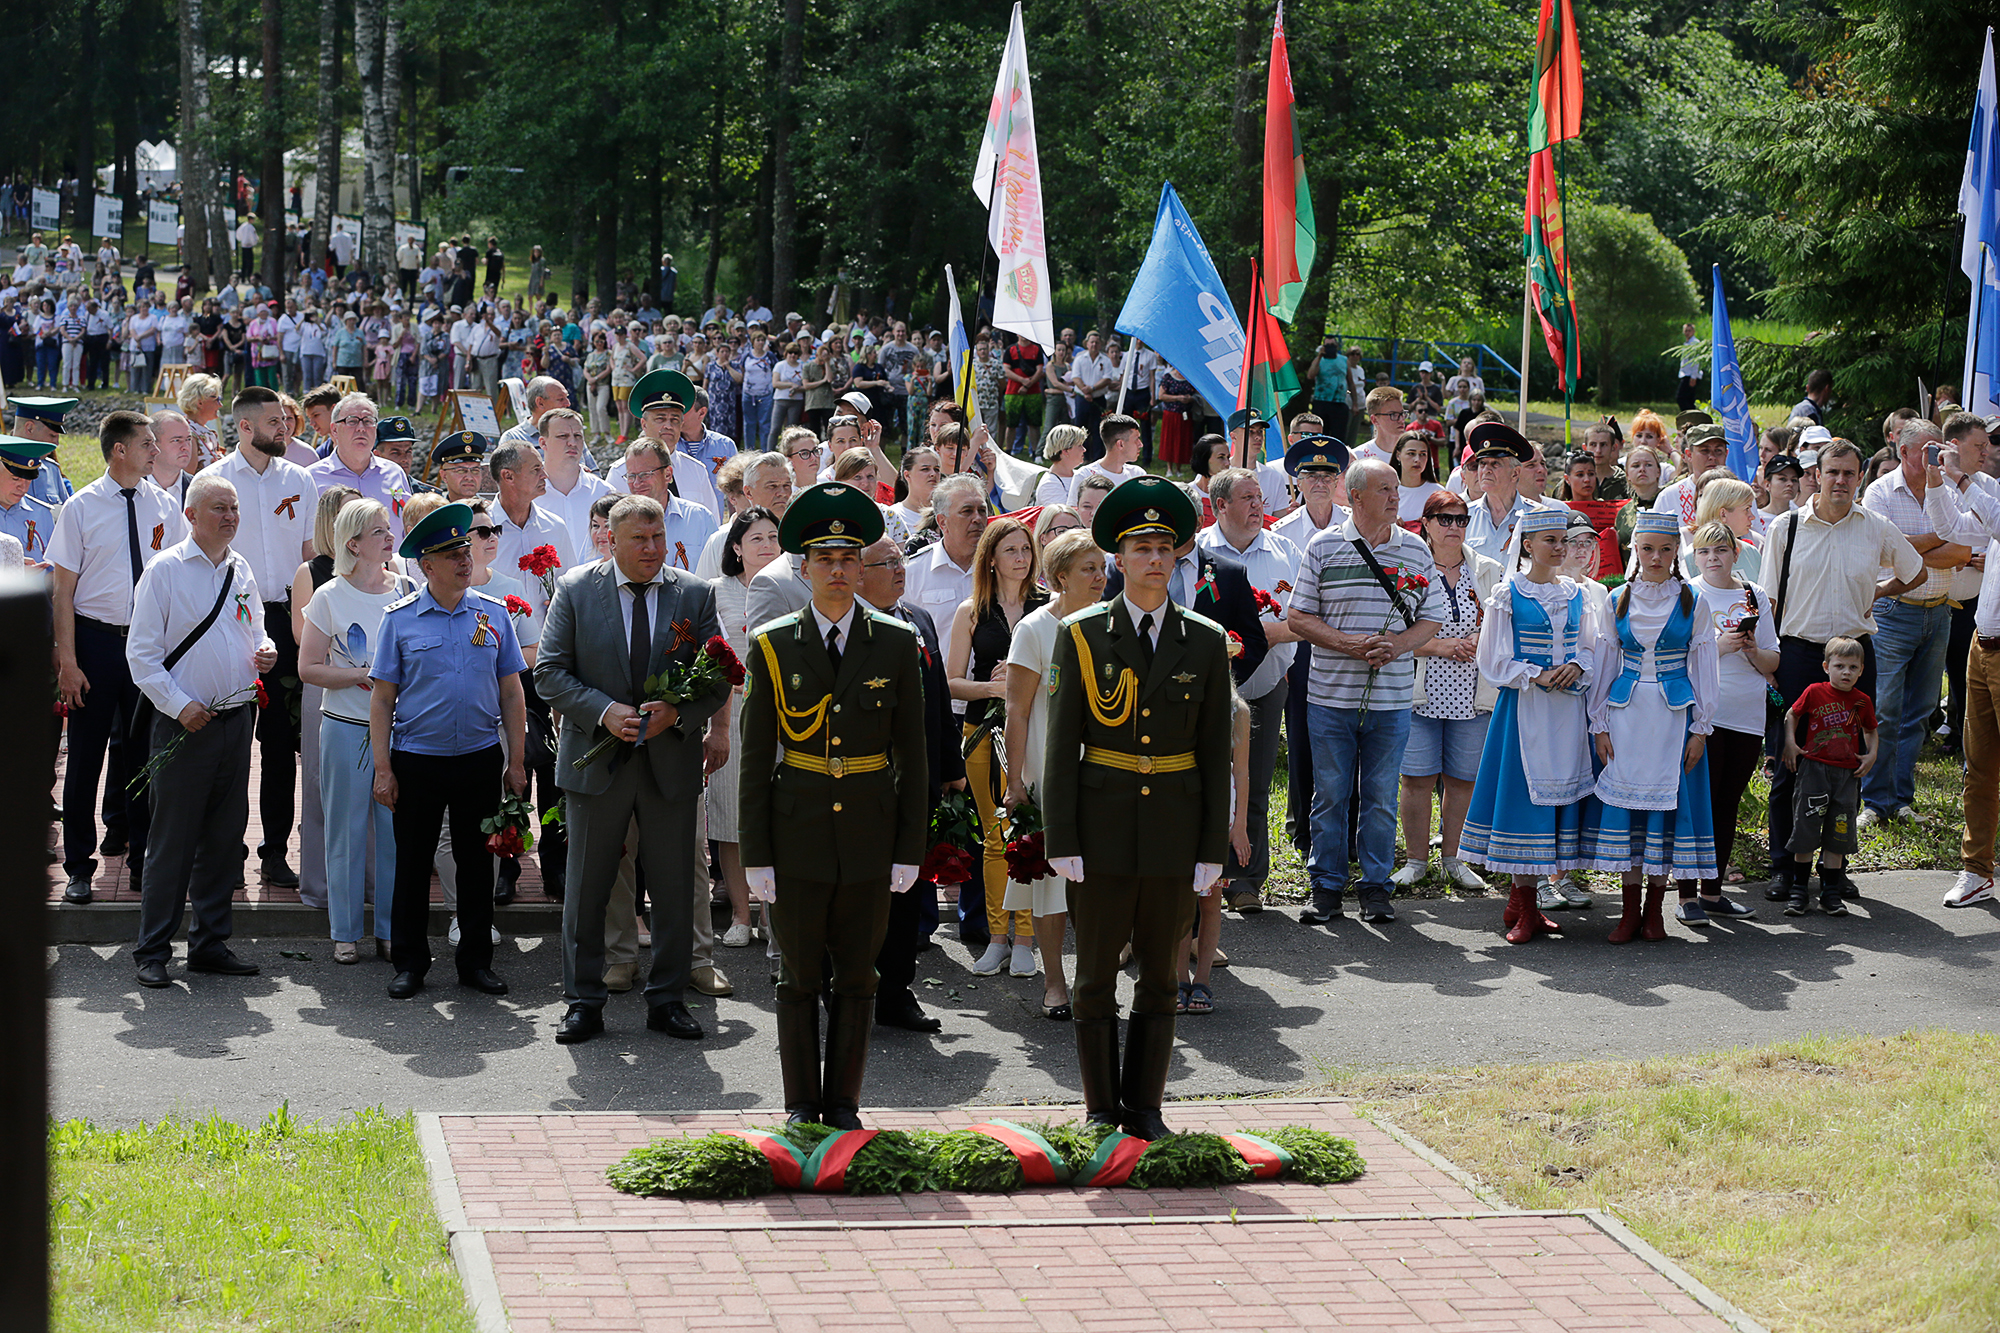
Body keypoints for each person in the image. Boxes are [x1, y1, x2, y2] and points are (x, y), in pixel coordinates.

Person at [1042, 475, 1232, 1138]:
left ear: (1177, 557)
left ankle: (1146, 1109)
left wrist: (1211, 847)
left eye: (1164, 547)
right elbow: (1061, 746)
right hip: (1100, 830)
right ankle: (1100, 1109)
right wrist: (1061, 836)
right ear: (1117, 560)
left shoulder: (1204, 639)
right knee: (1094, 976)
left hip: (1174, 831)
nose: (1154, 558)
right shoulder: (1082, 634)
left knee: (1159, 977)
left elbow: (1214, 752)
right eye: (1140, 548)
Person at [738, 483, 928, 1128]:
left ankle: (843, 1104)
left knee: (857, 976)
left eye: (850, 559)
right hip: (797, 834)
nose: (839, 571)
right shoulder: (772, 644)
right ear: (805, 567)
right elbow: (756, 758)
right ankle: (801, 1105)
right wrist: (756, 854)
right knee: (797, 978)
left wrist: (909, 848)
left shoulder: (896, 642)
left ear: (863, 567)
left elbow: (912, 757)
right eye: (826, 559)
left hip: (871, 834)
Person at [536, 495, 730, 1044]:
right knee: (586, 888)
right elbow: (549, 673)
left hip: (670, 764)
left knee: (674, 889)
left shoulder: (694, 593)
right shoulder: (576, 589)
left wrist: (678, 714)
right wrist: (603, 711)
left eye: (658, 537)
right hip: (598, 765)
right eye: (639, 539)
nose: (652, 548)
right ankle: (583, 1001)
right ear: (611, 540)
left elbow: (719, 675)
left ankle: (667, 1000)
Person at [369, 503, 528, 1000]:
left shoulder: (493, 613)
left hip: (479, 757)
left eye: (465, 550)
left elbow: (512, 692)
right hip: (417, 758)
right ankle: (410, 963)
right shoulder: (399, 620)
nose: (465, 560)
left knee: (477, 865)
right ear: (427, 566)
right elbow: (382, 698)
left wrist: (516, 761)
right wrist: (382, 768)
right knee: (413, 865)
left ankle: (475, 962)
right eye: (452, 554)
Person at [127, 474, 278, 987]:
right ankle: (152, 951)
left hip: (235, 720)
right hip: (183, 727)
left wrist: (266, 650)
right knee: (172, 842)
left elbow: (255, 627)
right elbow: (141, 656)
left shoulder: (241, 567)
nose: (230, 516)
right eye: (219, 508)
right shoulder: (165, 570)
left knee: (223, 840)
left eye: (234, 507)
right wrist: (180, 706)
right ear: (191, 515)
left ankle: (210, 944)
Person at [1757, 439, 1923, 901]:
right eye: (1833, 472)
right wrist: (1769, 663)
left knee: (1846, 767)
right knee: (1789, 762)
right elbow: (1769, 601)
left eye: (1850, 473)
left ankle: (1835, 868)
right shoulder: (1786, 527)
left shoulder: (1875, 527)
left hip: (1853, 658)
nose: (1841, 481)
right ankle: (1783, 868)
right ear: (1817, 474)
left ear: (1860, 477)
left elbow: (1916, 572)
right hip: (1799, 655)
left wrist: (1878, 592)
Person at [1289, 457, 1446, 925]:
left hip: (1392, 701)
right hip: (1330, 698)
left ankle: (1376, 887)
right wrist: (1347, 644)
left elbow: (1432, 618)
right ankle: (1326, 887)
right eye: (1385, 490)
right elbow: (1297, 616)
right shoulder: (1322, 545)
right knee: (1330, 795)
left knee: (1380, 797)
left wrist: (1397, 644)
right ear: (1355, 497)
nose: (1396, 497)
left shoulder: (1415, 549)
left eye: (1396, 489)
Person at [51, 411, 190, 905]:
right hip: (96, 643)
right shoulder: (81, 507)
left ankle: (141, 862)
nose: (156, 451)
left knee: (143, 759)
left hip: (147, 645)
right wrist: (68, 662)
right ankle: (78, 867)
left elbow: (179, 578)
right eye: (147, 444)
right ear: (119, 450)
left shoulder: (164, 505)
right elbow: (62, 593)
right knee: (86, 759)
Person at [1458, 503, 1598, 942]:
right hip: (1525, 711)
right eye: (1550, 541)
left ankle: (1522, 903)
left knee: (1555, 803)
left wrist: (1577, 665)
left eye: (1563, 540)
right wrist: (1535, 674)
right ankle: (1526, 907)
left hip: (1568, 713)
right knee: (1525, 804)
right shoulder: (1508, 594)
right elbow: (1492, 659)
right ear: (1527, 545)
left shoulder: (1576, 594)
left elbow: (1592, 646)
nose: (1560, 548)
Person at [1581, 512, 1721, 941]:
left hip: (1672, 719)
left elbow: (1705, 667)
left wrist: (1700, 728)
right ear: (1635, 550)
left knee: (1666, 815)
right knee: (1630, 817)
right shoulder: (1617, 599)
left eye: (1664, 549)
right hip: (1625, 718)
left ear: (1676, 550)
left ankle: (1654, 911)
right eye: (1647, 549)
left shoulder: (1693, 601)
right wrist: (1599, 723)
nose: (1656, 557)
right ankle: (1629, 913)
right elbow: (1606, 662)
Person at [198, 386, 317, 889]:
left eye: (285, 420)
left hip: (287, 620)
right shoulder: (213, 481)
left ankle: (275, 852)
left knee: (279, 745)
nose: (284, 428)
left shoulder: (300, 479)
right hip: (229, 619)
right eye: (274, 422)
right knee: (223, 744)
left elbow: (310, 556)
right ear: (245, 427)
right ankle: (223, 854)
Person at [856, 531, 962, 1033]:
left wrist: (951, 769)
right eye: (887, 564)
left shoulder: (917, 618)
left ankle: (897, 992)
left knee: (906, 892)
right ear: (858, 574)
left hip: (916, 783)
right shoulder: (848, 625)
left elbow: (937, 697)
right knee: (859, 894)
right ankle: (848, 992)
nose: (900, 570)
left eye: (900, 560)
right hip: (863, 785)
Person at [298, 498, 408, 963]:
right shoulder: (328, 596)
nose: (389, 537)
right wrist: (361, 675)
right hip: (345, 728)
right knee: (344, 831)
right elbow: (308, 668)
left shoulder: (407, 589)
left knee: (394, 834)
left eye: (388, 529)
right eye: (378, 531)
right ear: (354, 544)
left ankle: (389, 929)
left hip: (399, 731)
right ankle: (344, 931)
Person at [1002, 529, 1101, 1018]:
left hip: (1105, 775)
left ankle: (1094, 980)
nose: (1101, 577)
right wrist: (1015, 781)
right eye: (1089, 569)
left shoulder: (1111, 624)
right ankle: (1055, 983)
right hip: (1049, 773)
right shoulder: (1034, 629)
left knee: (1100, 885)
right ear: (1060, 577)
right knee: (1051, 884)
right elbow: (1017, 710)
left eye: (1103, 568)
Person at [947, 516, 1049, 977]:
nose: (1021, 558)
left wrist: (1026, 684)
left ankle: (1026, 939)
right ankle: (997, 938)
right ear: (990, 558)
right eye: (1011, 550)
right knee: (993, 836)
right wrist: (993, 689)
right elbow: (952, 681)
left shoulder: (1047, 606)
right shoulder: (971, 611)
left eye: (1026, 549)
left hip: (1032, 730)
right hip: (982, 732)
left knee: (1026, 833)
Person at [1195, 468, 1300, 914]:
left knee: (1253, 784)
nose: (1258, 505)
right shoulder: (1199, 553)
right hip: (1206, 693)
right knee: (1208, 784)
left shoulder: (1285, 550)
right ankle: (1203, 878)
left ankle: (1246, 881)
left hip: (1266, 685)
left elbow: (1306, 616)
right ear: (1220, 505)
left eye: (1259, 497)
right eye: (1247, 498)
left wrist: (1264, 636)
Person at [1857, 419, 1969, 826]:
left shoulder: (1950, 490)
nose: (1936, 457)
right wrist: (1941, 536)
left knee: (1920, 711)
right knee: (1885, 710)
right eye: (1927, 450)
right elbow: (1885, 552)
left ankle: (1900, 799)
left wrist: (1911, 546)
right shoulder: (1879, 492)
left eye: (1938, 448)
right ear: (1903, 452)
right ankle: (1875, 802)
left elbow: (1962, 551)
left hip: (1939, 611)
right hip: (1893, 612)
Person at [1393, 490, 1503, 893]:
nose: (1454, 526)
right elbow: (1391, 633)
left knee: (1462, 780)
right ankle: (1416, 861)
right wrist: (1440, 646)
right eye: (1444, 519)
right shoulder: (1407, 568)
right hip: (1419, 688)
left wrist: (1481, 640)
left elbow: (1502, 626)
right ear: (1425, 523)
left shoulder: (1488, 569)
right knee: (1416, 779)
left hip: (1472, 691)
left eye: (1461, 519)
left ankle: (1455, 859)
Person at [1688, 519, 1781, 909]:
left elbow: (1773, 659)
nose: (1713, 558)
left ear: (1736, 553)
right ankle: (1686, 895)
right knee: (1699, 805)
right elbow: (1677, 658)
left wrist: (1751, 650)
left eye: (1721, 550)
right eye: (1705, 551)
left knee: (1727, 804)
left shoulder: (1753, 594)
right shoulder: (1689, 594)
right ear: (1695, 557)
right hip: (1704, 716)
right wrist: (1719, 646)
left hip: (1747, 713)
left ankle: (1712, 893)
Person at [708, 506, 783, 954]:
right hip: (730, 714)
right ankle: (740, 914)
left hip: (781, 716)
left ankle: (773, 914)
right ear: (736, 547)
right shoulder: (717, 592)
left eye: (773, 537)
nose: (767, 545)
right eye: (756, 538)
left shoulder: (793, 584)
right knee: (729, 817)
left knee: (776, 817)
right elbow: (711, 654)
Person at [1778, 638, 1876, 915]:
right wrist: (1790, 743)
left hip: (1846, 774)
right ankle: (1799, 889)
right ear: (1826, 667)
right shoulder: (1814, 692)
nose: (1846, 672)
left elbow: (1870, 730)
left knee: (1839, 831)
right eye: (1840, 666)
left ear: (1861, 670)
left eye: (1853, 667)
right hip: (1814, 770)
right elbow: (1792, 715)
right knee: (1806, 828)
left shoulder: (1862, 700)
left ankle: (1830, 891)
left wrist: (1871, 755)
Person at [306, 393, 412, 538]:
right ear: (334, 430)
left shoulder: (395, 473)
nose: (361, 428)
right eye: (352, 421)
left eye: (368, 421)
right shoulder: (311, 478)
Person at [1392, 429, 1443, 522]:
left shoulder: (1438, 492)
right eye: (1411, 453)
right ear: (1398, 455)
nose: (1417, 459)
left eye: (1422, 454)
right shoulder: (1386, 491)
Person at [1033, 424, 1088, 507]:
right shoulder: (1049, 485)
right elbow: (1063, 514)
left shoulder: (1081, 475)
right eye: (1080, 445)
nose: (1084, 449)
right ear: (1066, 451)